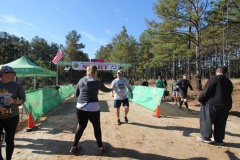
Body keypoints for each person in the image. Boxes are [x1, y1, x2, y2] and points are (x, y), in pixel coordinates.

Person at [70, 65, 112, 155]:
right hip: (92, 107)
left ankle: (74, 147)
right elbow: (106, 90)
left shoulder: (81, 80)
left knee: (81, 127)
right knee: (96, 127)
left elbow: (77, 94)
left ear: (87, 71)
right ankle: (100, 148)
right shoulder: (97, 82)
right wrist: (112, 89)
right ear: (96, 72)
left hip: (80, 107)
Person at [197, 66, 233, 145]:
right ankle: (219, 139)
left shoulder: (214, 79)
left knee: (207, 119)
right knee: (221, 122)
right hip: (225, 105)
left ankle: (206, 137)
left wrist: (200, 99)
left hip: (212, 103)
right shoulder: (228, 81)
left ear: (217, 71)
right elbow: (229, 93)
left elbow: (207, 91)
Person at [0, 66, 26, 160]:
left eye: (14, 73)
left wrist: (13, 101)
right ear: (3, 74)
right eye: (11, 73)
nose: (13, 75)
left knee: (9, 139)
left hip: (12, 117)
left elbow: (23, 100)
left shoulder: (17, 86)